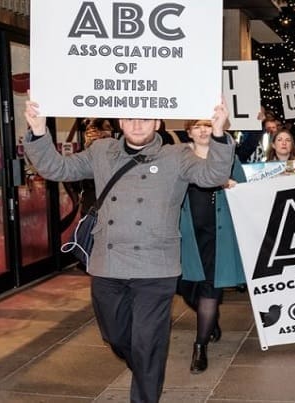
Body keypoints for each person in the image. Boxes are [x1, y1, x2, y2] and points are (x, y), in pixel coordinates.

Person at [23, 100, 235, 403]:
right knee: (116, 336)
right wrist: (39, 131)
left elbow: (212, 176)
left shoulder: (177, 156)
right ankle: (147, 366)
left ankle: (146, 385)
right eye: (130, 118)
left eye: (146, 119)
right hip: (107, 265)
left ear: (158, 123)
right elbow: (58, 167)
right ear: (120, 122)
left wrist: (218, 135)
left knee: (148, 343)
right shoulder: (102, 151)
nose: (137, 124)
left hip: (156, 267)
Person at [177, 119, 247, 374]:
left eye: (207, 125)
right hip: (188, 236)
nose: (203, 130)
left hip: (220, 235)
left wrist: (232, 184)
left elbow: (245, 188)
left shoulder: (227, 157)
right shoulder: (180, 159)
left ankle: (200, 345)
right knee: (186, 288)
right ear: (189, 133)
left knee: (210, 289)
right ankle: (211, 320)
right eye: (197, 126)